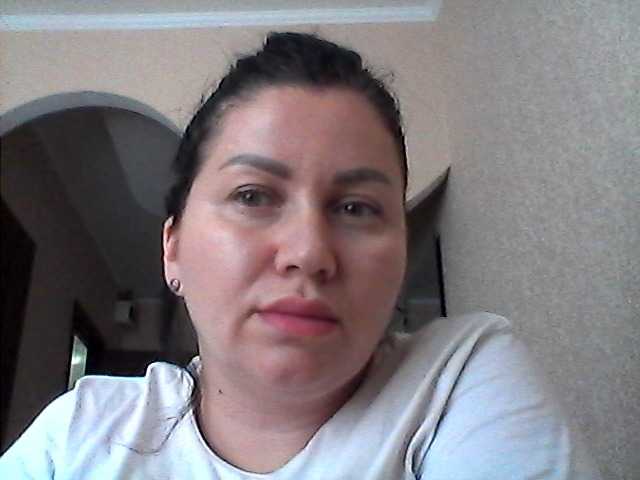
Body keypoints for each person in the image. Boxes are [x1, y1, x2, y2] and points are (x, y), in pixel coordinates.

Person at [0, 32, 600, 479]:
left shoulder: (458, 379)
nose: (310, 253)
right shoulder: (79, 434)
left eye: (356, 207)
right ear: (173, 248)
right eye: (252, 196)